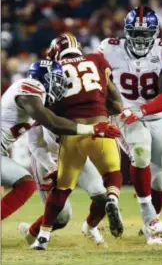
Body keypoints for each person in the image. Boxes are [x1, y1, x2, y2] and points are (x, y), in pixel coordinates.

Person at [31, 33, 124, 250]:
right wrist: (104, 107)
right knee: (113, 173)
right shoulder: (97, 60)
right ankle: (113, 197)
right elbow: (117, 103)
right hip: (101, 129)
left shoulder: (51, 70)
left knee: (62, 188)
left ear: (55, 52)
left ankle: (42, 237)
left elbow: (48, 114)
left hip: (71, 134)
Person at [98, 6, 162, 244]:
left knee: (160, 177)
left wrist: (142, 110)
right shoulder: (110, 48)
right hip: (124, 113)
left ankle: (152, 222)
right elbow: (102, 84)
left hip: (158, 115)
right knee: (141, 151)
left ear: (155, 33)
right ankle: (149, 216)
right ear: (126, 31)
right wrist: (118, 109)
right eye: (136, 32)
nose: (141, 38)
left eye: (146, 34)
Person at [1, 59, 120, 221]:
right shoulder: (29, 89)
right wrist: (92, 129)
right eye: (56, 80)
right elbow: (53, 123)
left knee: (26, 184)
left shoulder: (33, 97)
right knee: (26, 185)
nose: (60, 86)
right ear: (43, 78)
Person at [18, 125, 107, 246]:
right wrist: (51, 167)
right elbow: (35, 143)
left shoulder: (78, 107)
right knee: (62, 217)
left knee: (103, 197)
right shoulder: (40, 108)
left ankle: (90, 228)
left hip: (76, 156)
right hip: (48, 160)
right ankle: (32, 232)